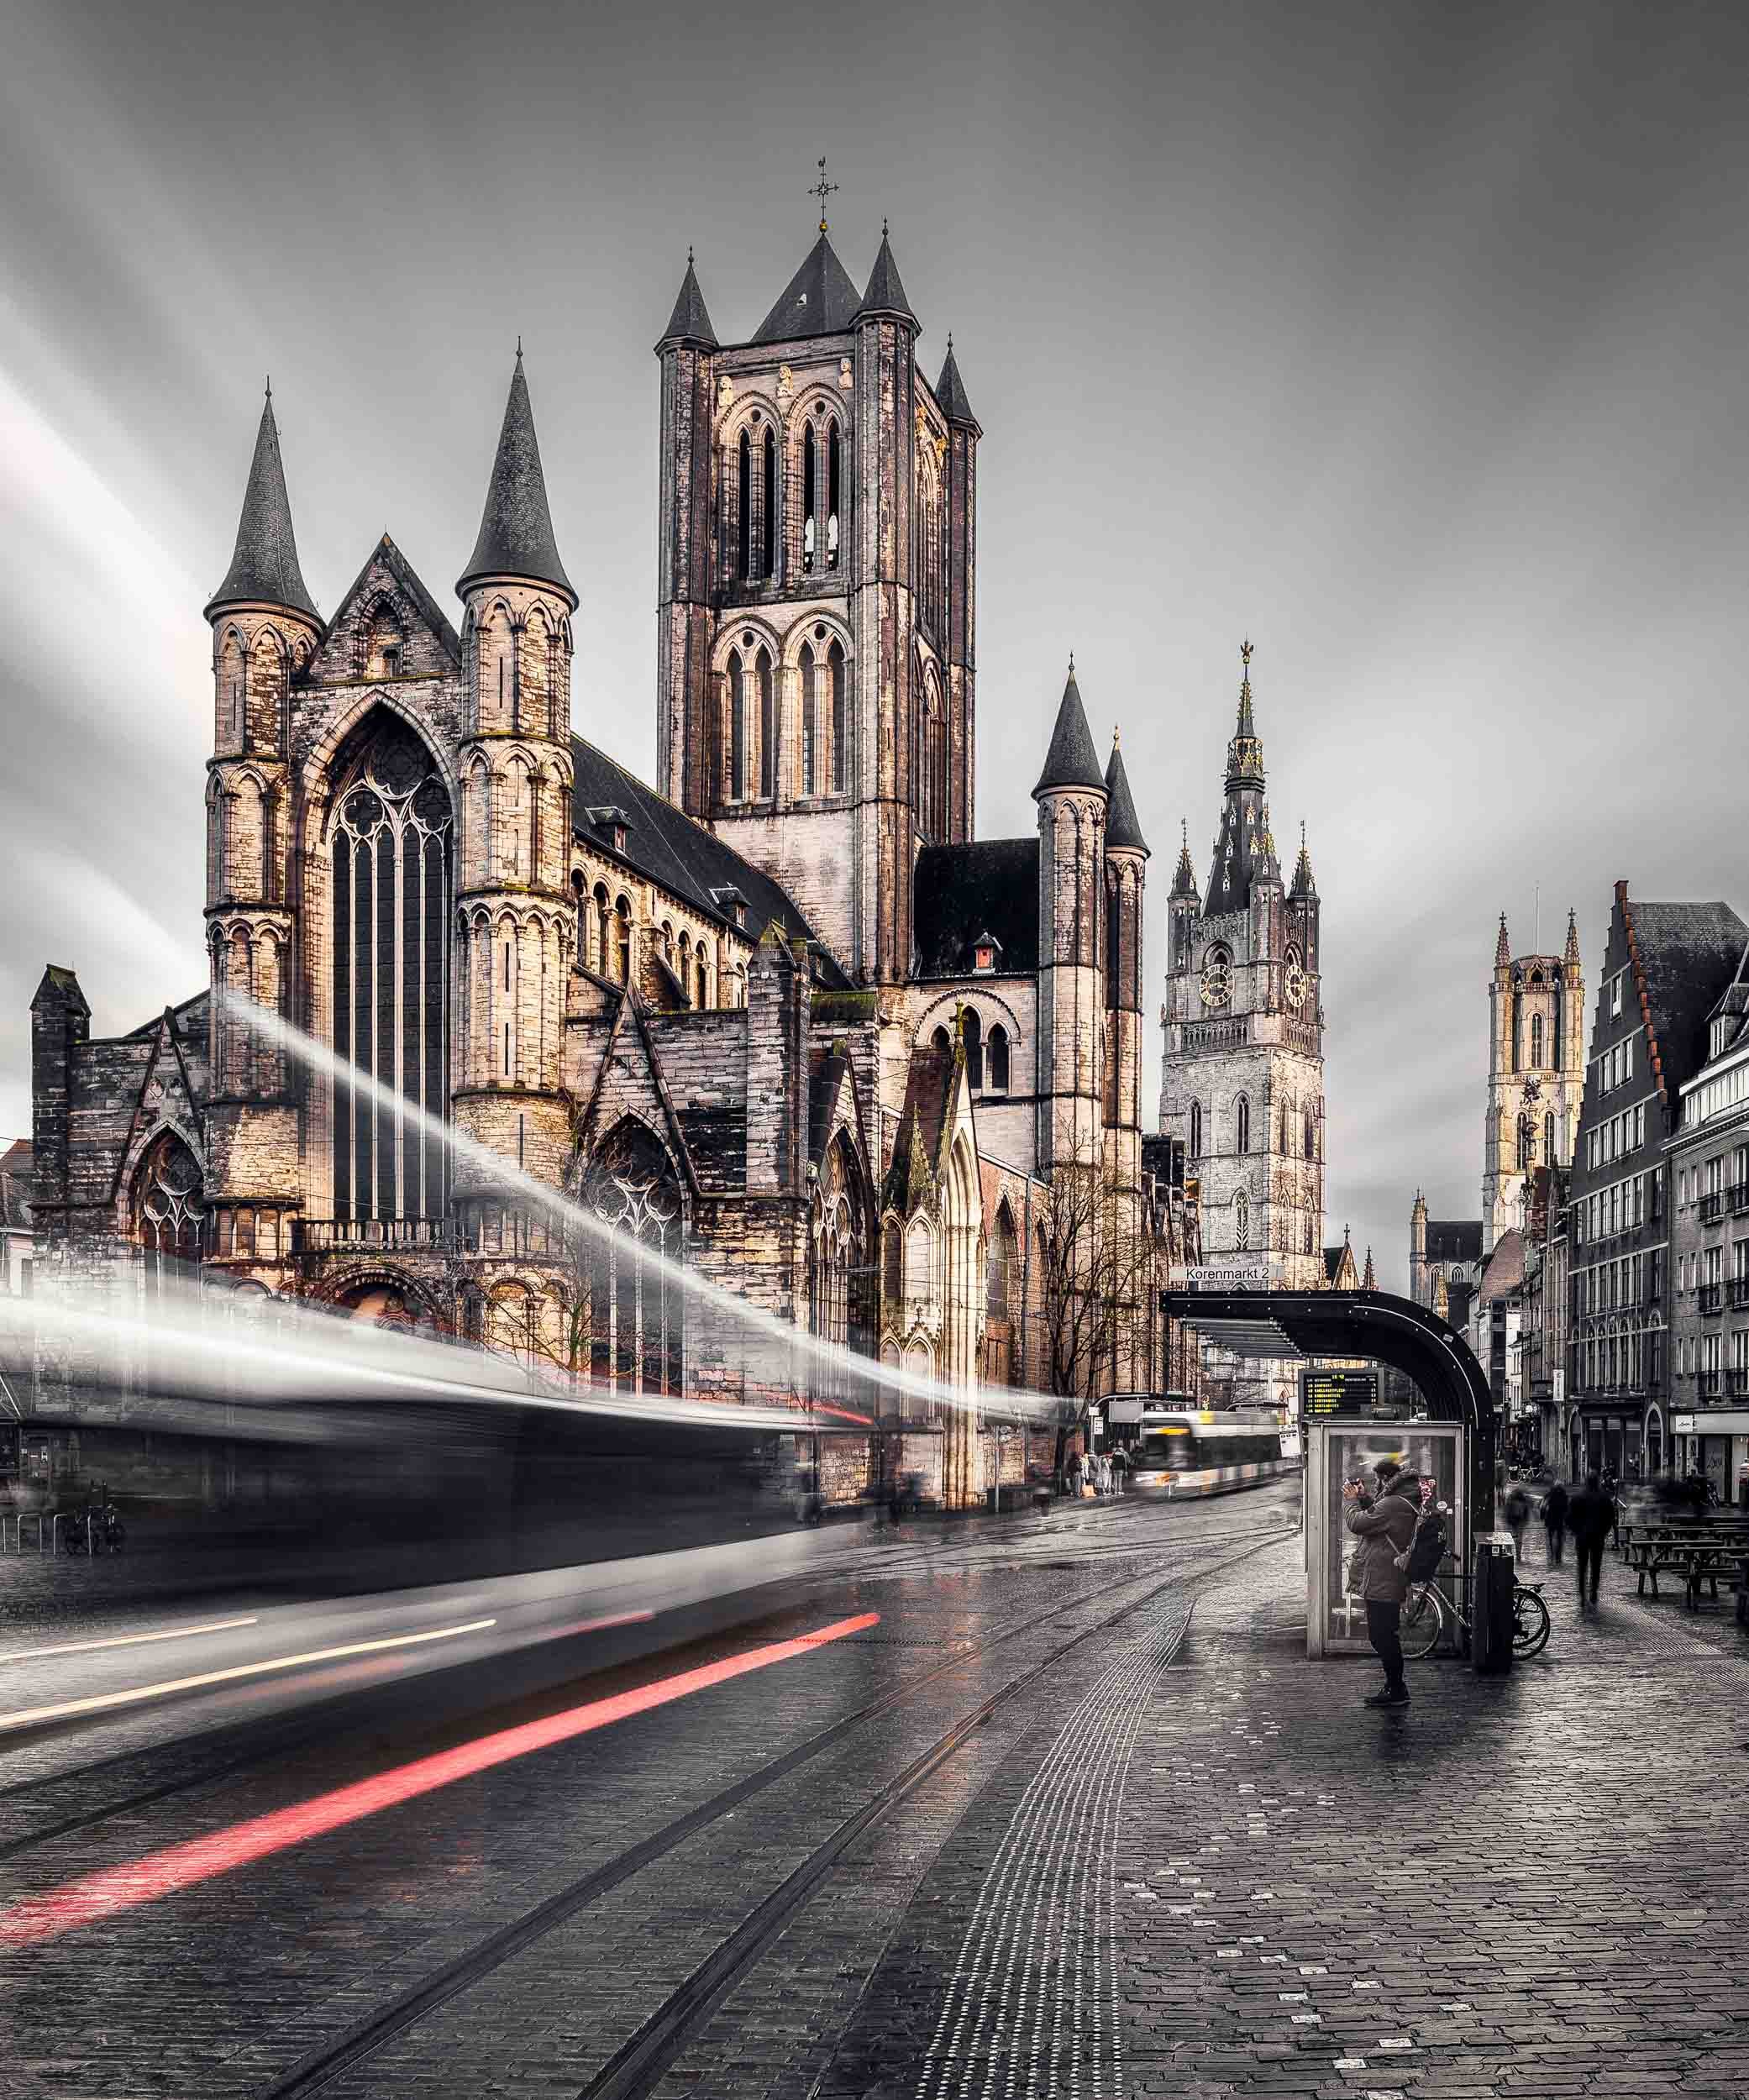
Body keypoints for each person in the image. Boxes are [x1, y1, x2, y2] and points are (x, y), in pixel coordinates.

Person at [1342, 1459, 1420, 1708]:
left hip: (1384, 1578)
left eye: (1377, 1480)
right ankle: (1394, 1686)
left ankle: (1397, 1688)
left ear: (1386, 1479)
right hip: (1385, 1576)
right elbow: (1377, 1519)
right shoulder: (1397, 1501)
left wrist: (1353, 1501)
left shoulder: (1393, 1504)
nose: (1374, 1484)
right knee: (1384, 1634)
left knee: (1382, 1635)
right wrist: (1365, 1501)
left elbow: (1359, 1524)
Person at [1567, 1469, 1618, 1609]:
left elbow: (1570, 1517)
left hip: (1582, 1537)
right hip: (1597, 1537)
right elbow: (1611, 1517)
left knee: (1582, 1566)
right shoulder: (1604, 1497)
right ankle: (1593, 1592)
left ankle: (1582, 1595)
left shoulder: (1578, 1497)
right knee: (1596, 1566)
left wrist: (1575, 1531)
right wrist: (1604, 1531)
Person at [1542, 1477, 1569, 1567]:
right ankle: (1558, 1557)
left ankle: (1551, 1556)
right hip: (1560, 1520)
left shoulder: (1549, 1494)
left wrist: (1542, 1516)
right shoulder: (1564, 1495)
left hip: (1550, 1520)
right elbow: (1568, 1509)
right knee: (1560, 1539)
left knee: (1549, 1538)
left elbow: (1543, 1506)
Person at [1503, 1482, 1531, 1562]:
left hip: (1512, 1521)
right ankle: (1518, 1554)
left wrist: (1506, 1519)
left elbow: (1507, 1510)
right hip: (1520, 1521)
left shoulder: (1511, 1498)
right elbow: (1526, 1511)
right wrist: (1525, 1521)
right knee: (1519, 1539)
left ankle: (1510, 1554)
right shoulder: (1523, 1499)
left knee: (1510, 1537)